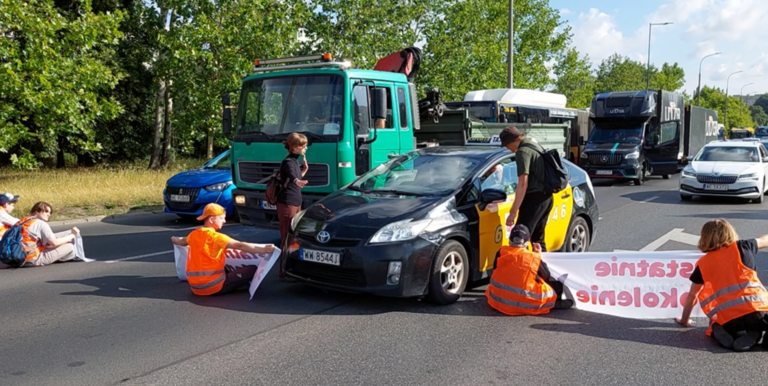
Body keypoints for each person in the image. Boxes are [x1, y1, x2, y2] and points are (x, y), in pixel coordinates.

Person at [675, 219, 768, 352]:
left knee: (723, 323)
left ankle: (720, 329)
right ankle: (756, 332)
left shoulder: (703, 264)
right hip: (756, 313)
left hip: (728, 319)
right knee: (760, 320)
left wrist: (684, 320)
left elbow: (692, 295)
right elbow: (765, 240)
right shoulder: (743, 246)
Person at [171, 203, 276, 296]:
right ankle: (235, 286)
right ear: (212, 219)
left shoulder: (193, 235)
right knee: (252, 269)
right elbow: (240, 245)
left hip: (195, 288)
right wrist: (263, 249)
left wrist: (173, 239)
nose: (224, 221)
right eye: (221, 218)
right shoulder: (216, 237)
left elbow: (181, 242)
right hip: (214, 287)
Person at [486, 224, 573, 315]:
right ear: (527, 242)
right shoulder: (532, 258)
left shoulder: (501, 251)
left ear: (510, 239)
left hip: (496, 301)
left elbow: (495, 269)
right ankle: (552, 304)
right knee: (557, 284)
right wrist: (538, 254)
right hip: (525, 304)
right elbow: (546, 275)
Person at [499, 126, 554, 251]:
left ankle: (521, 269)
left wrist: (513, 212)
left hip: (534, 200)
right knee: (538, 239)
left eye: (507, 145)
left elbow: (523, 184)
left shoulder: (522, 152)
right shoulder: (534, 145)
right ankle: (543, 268)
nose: (509, 149)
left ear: (513, 140)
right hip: (546, 197)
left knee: (519, 236)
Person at [276, 132, 308, 280]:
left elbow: (295, 176)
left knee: (293, 236)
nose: (305, 148)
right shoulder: (289, 162)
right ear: (294, 147)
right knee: (286, 236)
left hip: (295, 202)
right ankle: (283, 271)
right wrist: (297, 181)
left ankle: (291, 268)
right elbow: (292, 176)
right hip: (287, 203)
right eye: (303, 146)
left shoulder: (295, 161)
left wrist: (304, 171)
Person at [18, 202, 80, 267]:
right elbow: (54, 243)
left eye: (50, 213)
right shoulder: (41, 224)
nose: (49, 214)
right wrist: (72, 235)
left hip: (19, 257)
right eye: (46, 212)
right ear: (37, 211)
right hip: (33, 259)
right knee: (70, 247)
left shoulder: (22, 221)